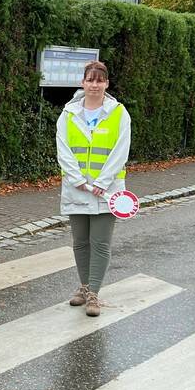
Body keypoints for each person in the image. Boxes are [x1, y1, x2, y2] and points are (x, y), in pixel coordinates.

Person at [56, 61, 131, 317]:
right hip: (77, 188)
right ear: (83, 82)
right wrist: (77, 179)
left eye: (100, 80)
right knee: (80, 242)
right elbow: (63, 149)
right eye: (90, 79)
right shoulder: (68, 114)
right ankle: (85, 286)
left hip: (106, 191)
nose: (94, 84)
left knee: (100, 242)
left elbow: (121, 151)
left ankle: (94, 294)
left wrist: (101, 182)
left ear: (106, 84)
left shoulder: (119, 113)